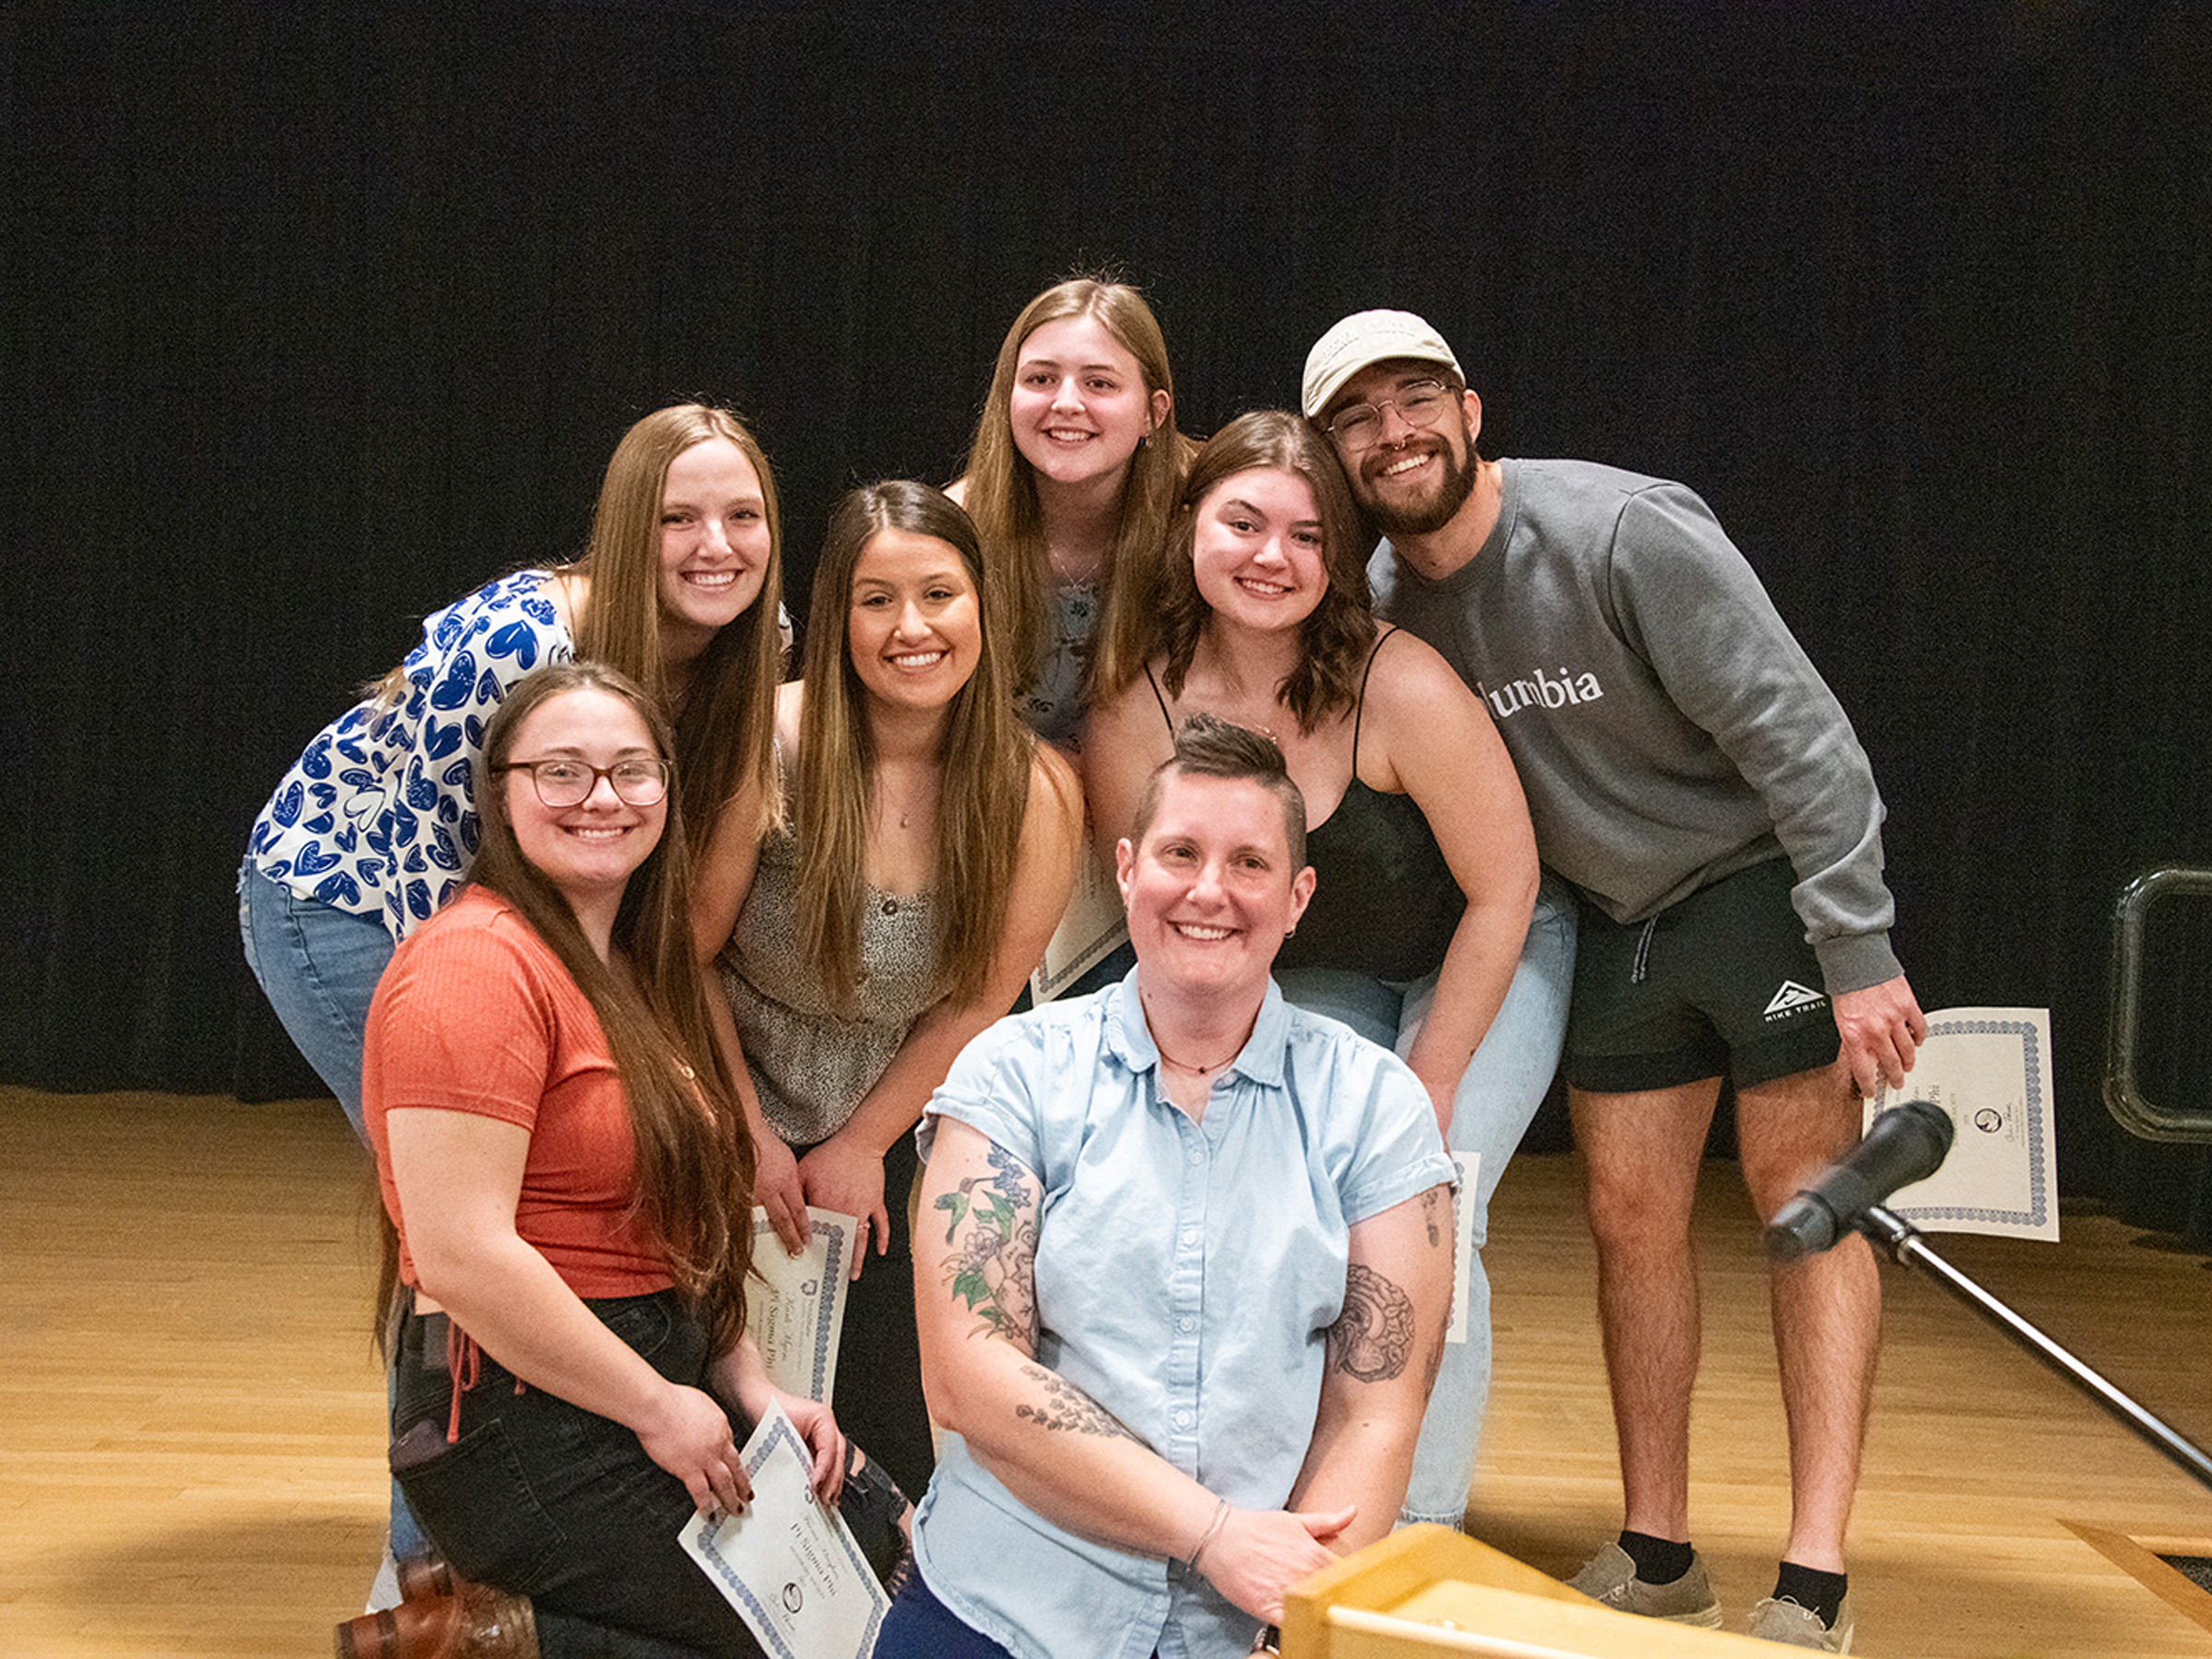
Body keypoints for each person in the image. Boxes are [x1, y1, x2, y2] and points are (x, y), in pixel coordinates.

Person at [1302, 310, 1928, 1652]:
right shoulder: (1370, 598)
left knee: (1804, 1205)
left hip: (1756, 889)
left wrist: (1858, 950)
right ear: (1333, 450)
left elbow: (1805, 741)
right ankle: (1660, 1553)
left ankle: (1813, 1579)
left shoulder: (1623, 533)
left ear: (1473, 411)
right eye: (1357, 417)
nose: (1392, 432)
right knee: (1627, 1218)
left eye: (1415, 400)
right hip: (1618, 916)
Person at [355, 663, 906, 1659]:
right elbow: (461, 1256)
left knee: (891, 1555)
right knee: (825, 1631)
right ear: (502, 795)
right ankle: (494, 1639)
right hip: (528, 1418)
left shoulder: (631, 965)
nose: (601, 798)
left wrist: (755, 1390)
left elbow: (677, 1231)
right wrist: (657, 1408)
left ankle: (511, 1633)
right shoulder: (472, 967)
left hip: (661, 1374)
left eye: (630, 770)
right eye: (561, 772)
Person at [877, 714, 1456, 1659]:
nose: (1209, 891)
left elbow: (1376, 1408)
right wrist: (1213, 1534)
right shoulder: (1014, 1072)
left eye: (1250, 864)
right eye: (1180, 853)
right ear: (1125, 871)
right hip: (1007, 1607)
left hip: (1243, 1627)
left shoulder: (1373, 1104)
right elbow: (970, 1374)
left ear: (1300, 895)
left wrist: (1293, 1622)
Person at [1084, 409, 1571, 1528]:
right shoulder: (1140, 700)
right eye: (1244, 523)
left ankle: (1408, 1535)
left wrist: (1435, 1075)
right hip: (1333, 962)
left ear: (1341, 560)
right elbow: (1155, 917)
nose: (1273, 557)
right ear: (1190, 532)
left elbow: (1507, 889)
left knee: (1432, 1192)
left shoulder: (1399, 683)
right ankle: (1292, 1496)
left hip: (1482, 949)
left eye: (1308, 537)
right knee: (1295, 1187)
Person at [241, 403, 786, 1137]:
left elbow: (694, 905)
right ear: (629, 528)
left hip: (519, 904)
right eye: (677, 519)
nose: (715, 546)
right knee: (449, 1159)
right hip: (353, 893)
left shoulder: (758, 638)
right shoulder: (517, 645)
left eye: (742, 516)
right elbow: (428, 863)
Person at [695, 481, 1084, 1500]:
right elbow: (681, 956)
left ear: (983, 611)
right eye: (877, 600)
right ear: (839, 619)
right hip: (727, 1084)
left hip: (904, 1111)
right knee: (719, 1409)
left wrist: (862, 1145)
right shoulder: (764, 747)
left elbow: (984, 997)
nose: (911, 628)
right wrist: (749, 1133)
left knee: (895, 1429)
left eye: (938, 595)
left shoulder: (1034, 787)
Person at [947, 275, 1194, 747]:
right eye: (1041, 379)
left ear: (1153, 412)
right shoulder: (951, 533)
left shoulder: (1210, 522)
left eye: (1099, 383)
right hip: (1001, 799)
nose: (1065, 403)